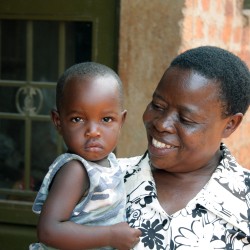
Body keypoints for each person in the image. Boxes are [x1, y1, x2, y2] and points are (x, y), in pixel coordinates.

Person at [118, 46, 250, 249]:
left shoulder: (245, 202)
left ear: (230, 124)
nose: (162, 124)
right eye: (158, 106)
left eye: (186, 118)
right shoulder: (104, 179)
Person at [30, 62, 141, 250]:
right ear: (58, 122)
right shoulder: (76, 170)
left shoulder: (110, 163)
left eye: (106, 119)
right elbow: (48, 231)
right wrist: (111, 236)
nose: (93, 131)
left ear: (121, 121)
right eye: (77, 119)